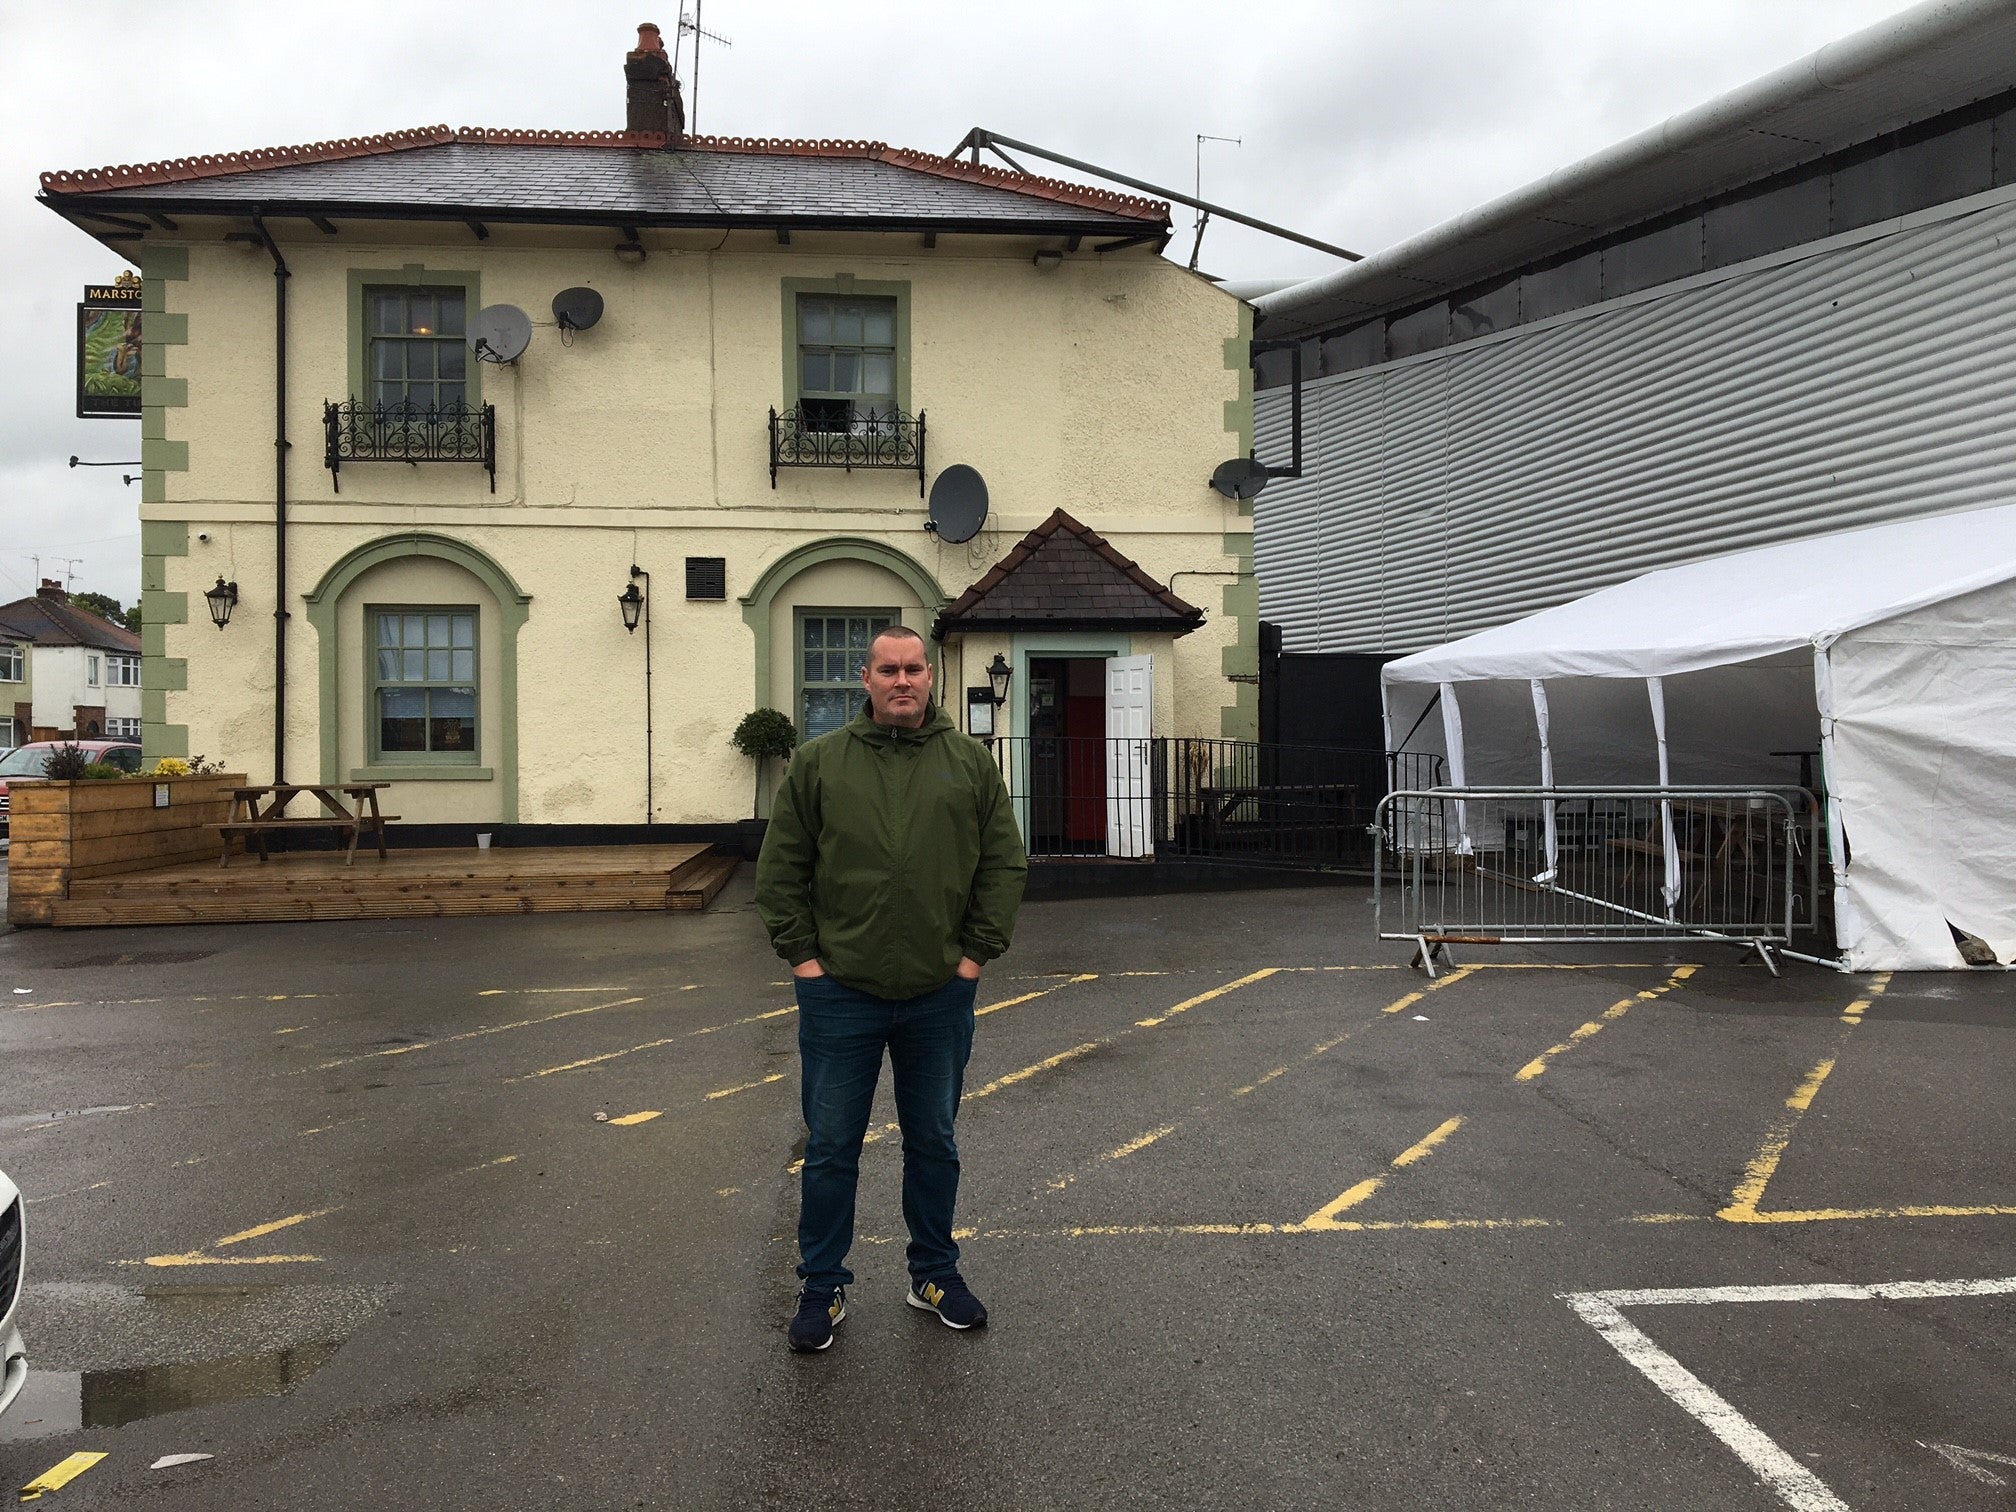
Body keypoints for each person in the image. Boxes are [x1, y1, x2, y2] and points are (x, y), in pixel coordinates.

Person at [756, 625, 1027, 1353]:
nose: (901, 680)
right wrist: (805, 963)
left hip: (940, 992)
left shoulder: (970, 765)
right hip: (840, 992)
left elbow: (1004, 865)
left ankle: (933, 1272)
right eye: (887, 669)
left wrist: (974, 958)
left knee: (933, 1140)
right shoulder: (818, 766)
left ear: (930, 676)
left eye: (913, 669)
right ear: (865, 679)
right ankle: (823, 1285)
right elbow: (779, 874)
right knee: (834, 1144)